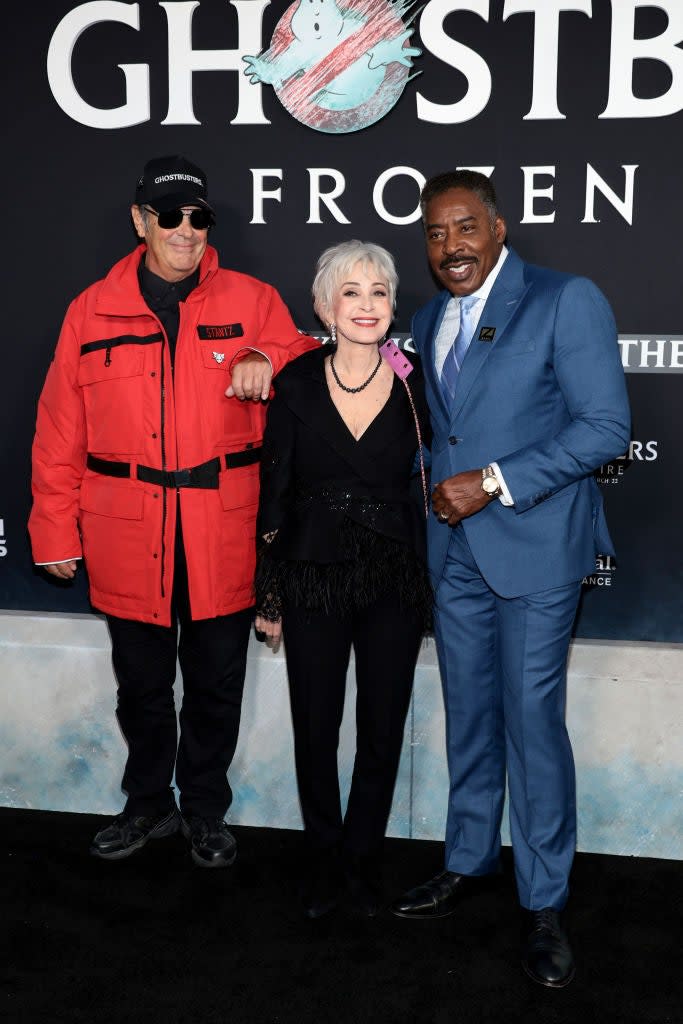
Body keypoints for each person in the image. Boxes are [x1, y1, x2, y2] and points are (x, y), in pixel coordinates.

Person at [29, 155, 317, 868]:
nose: (185, 231)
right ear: (140, 221)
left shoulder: (251, 300)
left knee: (217, 686)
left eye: (197, 218)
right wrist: (52, 530)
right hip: (127, 530)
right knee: (142, 687)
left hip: (221, 529)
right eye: (169, 217)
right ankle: (147, 803)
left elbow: (309, 363)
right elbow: (60, 430)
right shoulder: (89, 310)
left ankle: (204, 809)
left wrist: (265, 355)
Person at [389, 171, 630, 986]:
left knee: (531, 722)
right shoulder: (426, 318)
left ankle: (544, 900)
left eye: (462, 228)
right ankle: (466, 860)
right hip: (453, 554)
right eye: (432, 233)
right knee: (469, 716)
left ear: (496, 227)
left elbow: (604, 426)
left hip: (532, 548)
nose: (448, 246)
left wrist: (490, 481)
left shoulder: (566, 299)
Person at [254, 240, 431, 917]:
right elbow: (276, 491)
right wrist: (268, 594)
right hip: (311, 576)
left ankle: (363, 858)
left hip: (394, 576)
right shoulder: (295, 383)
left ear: (392, 306)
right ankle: (323, 856)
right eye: (350, 292)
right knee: (315, 723)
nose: (365, 304)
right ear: (325, 307)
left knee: (382, 726)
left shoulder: (418, 384)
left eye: (378, 291)